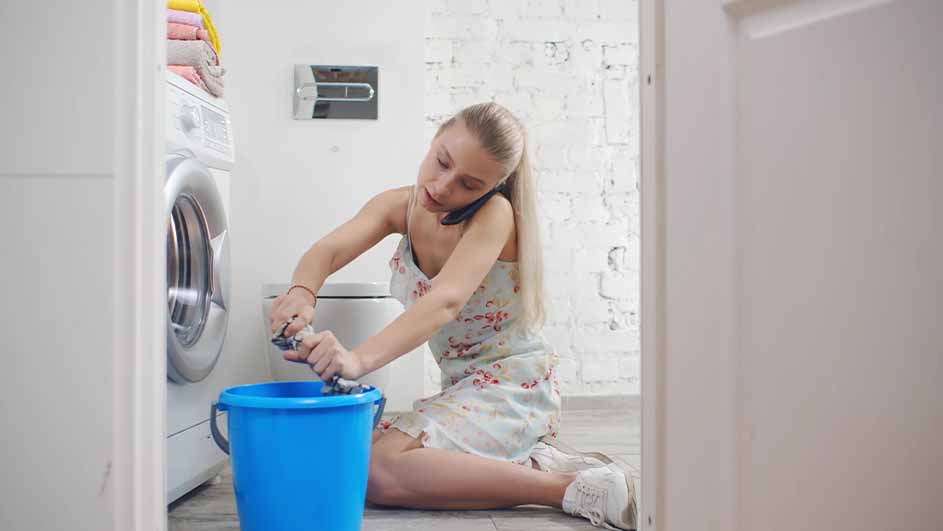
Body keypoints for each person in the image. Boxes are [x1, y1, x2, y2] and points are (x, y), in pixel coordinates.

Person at [268, 102, 638, 530]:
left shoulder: (494, 215)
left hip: (512, 386)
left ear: (493, 187)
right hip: (463, 387)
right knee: (352, 449)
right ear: (436, 137)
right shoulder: (399, 206)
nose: (442, 187)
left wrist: (356, 360)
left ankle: (569, 488)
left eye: (469, 184)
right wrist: (302, 292)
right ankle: (528, 460)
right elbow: (328, 251)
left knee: (376, 471)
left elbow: (445, 301)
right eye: (442, 162)